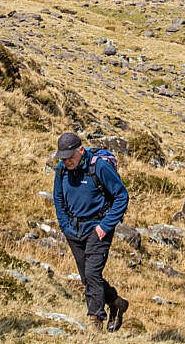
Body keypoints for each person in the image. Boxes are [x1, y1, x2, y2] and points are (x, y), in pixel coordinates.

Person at [52, 132, 130, 332]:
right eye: (63, 157)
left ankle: (95, 321)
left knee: (92, 273)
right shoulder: (61, 170)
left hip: (98, 227)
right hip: (74, 230)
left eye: (70, 156)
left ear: (81, 150)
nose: (66, 161)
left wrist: (104, 227)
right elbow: (59, 201)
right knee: (87, 278)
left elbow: (121, 196)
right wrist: (65, 226)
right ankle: (116, 302)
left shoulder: (99, 167)